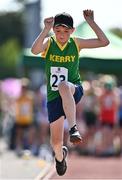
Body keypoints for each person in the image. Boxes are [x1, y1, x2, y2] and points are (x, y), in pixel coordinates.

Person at [31, 9, 109, 176]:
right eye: (58, 31)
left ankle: (73, 128)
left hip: (74, 89)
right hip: (54, 98)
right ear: (54, 31)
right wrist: (45, 29)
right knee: (56, 143)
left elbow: (104, 42)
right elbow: (34, 51)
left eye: (66, 31)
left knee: (64, 85)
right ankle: (60, 157)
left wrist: (91, 22)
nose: (61, 35)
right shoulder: (50, 43)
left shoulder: (76, 43)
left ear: (72, 31)